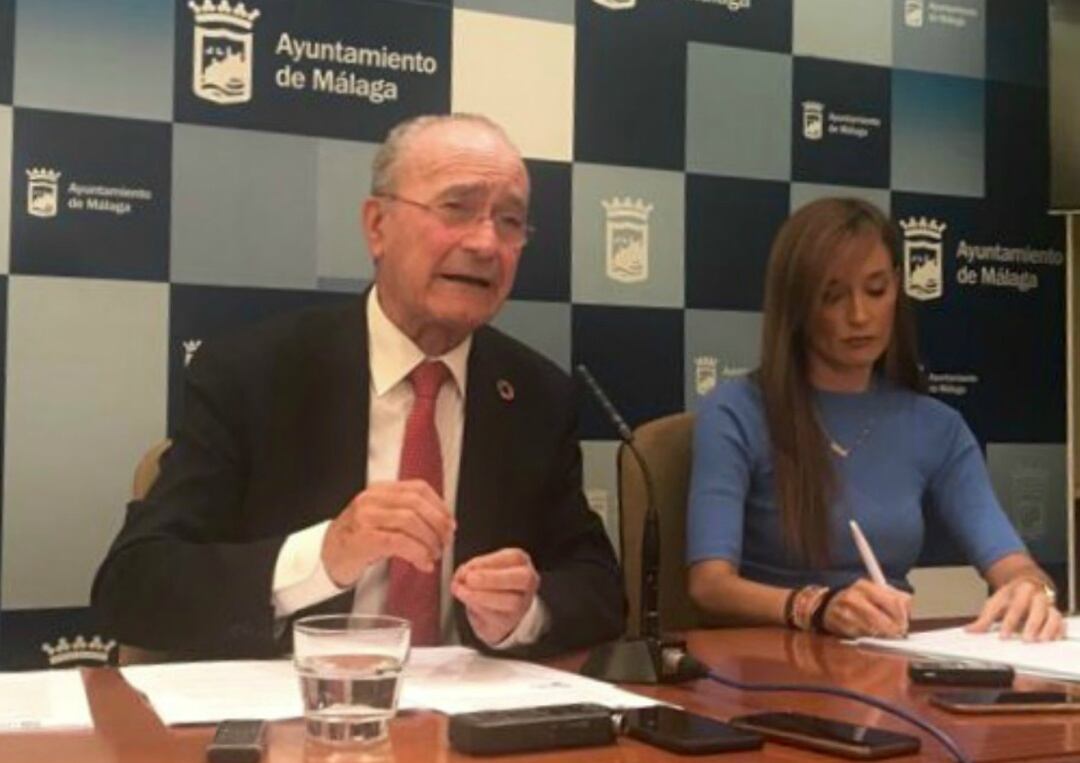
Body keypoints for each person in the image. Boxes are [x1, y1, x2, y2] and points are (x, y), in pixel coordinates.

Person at [92, 113, 624, 659]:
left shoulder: (536, 395)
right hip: (294, 719)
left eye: (510, 221)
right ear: (377, 226)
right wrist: (323, 556)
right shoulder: (256, 372)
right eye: (456, 208)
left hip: (463, 728)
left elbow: (599, 586)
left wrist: (524, 613)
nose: (487, 243)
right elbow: (133, 584)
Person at [686, 197, 1063, 642]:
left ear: (898, 289)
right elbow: (709, 586)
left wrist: (1031, 590)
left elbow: (1010, 561)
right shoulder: (736, 410)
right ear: (798, 307)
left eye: (876, 290)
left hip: (884, 664)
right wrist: (815, 606)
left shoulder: (936, 425)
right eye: (833, 297)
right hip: (763, 665)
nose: (859, 315)